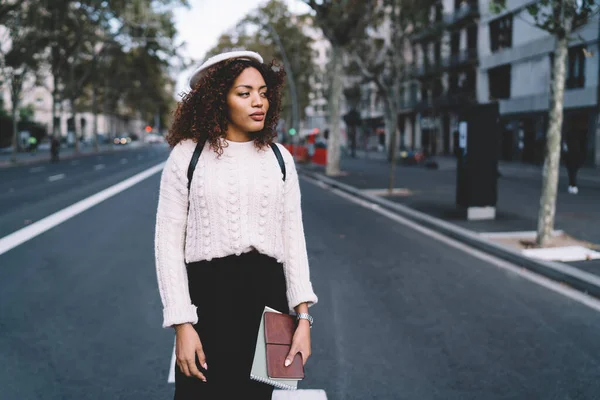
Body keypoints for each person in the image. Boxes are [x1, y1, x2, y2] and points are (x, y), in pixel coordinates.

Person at [154, 50, 318, 400]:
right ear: (219, 101)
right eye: (244, 93)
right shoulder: (187, 155)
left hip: (267, 303)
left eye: (262, 92)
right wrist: (182, 323)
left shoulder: (280, 158)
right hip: (208, 302)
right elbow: (167, 245)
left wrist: (303, 319)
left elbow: (294, 241)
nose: (258, 101)